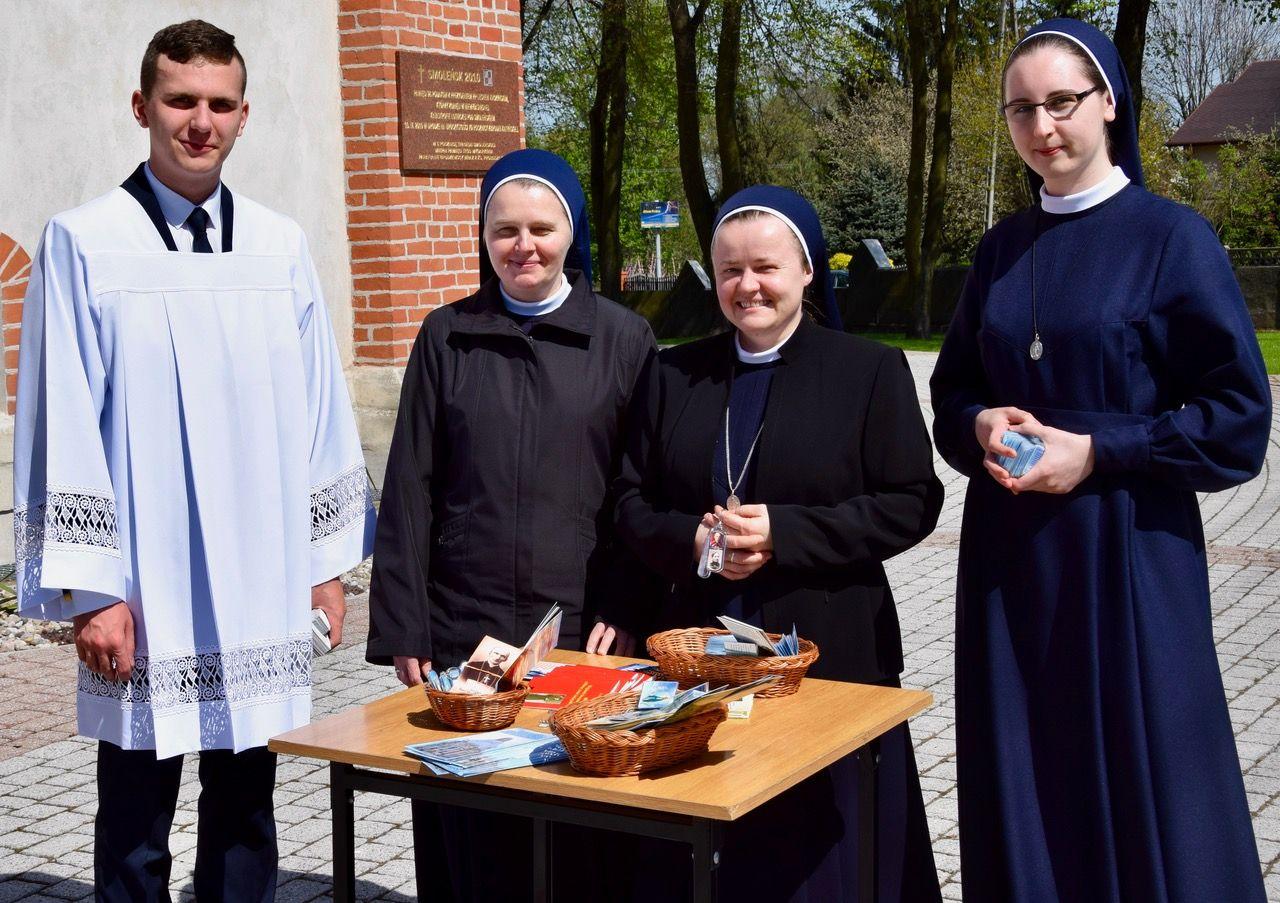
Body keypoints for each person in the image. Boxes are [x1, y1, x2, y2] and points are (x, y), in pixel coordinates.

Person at [12, 19, 375, 903]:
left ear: (245, 115)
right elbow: (62, 418)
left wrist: (326, 565)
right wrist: (93, 591)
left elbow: (321, 409)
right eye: (181, 100)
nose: (199, 121)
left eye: (219, 103)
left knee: (248, 805)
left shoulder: (280, 246)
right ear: (142, 106)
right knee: (136, 818)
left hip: (259, 580)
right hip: (145, 584)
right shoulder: (84, 240)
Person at [929, 18, 1269, 901]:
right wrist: (978, 427)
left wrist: (1102, 449)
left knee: (1141, 767)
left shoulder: (1172, 239)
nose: (1042, 126)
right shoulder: (1000, 251)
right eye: (1021, 110)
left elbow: (1238, 421)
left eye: (1061, 103)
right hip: (1009, 560)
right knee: (1027, 766)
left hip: (1128, 551)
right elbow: (951, 395)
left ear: (1109, 103)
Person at [604, 185, 944, 902]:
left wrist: (786, 533)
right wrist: (694, 540)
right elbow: (630, 501)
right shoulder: (673, 374)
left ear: (806, 271)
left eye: (766, 267)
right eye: (730, 270)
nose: (747, 285)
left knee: (822, 857)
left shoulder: (869, 370)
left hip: (830, 644)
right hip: (697, 652)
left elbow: (914, 501)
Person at [366, 147, 656, 900]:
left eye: (540, 227)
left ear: (572, 231)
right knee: (475, 832)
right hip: (468, 629)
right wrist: (406, 624)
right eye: (505, 230)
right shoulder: (447, 335)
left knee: (584, 832)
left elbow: (644, 491)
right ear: (483, 236)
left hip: (585, 625)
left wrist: (627, 605)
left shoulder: (624, 341)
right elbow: (409, 487)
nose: (522, 245)